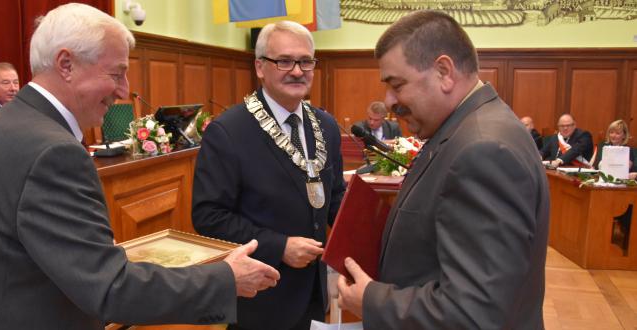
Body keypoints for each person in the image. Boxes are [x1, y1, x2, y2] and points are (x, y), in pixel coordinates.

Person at [0, 4, 279, 329]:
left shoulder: (14, 121)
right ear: (66, 64)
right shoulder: (53, 151)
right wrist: (225, 279)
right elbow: (110, 288)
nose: (124, 90)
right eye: (116, 73)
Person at [336, 11, 549, 329]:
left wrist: (371, 301)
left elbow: (473, 313)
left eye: (397, 85)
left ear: (444, 72)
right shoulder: (464, 128)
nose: (389, 101)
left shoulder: (483, 150)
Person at [192, 20, 346, 330]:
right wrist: (280, 247)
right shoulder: (229, 131)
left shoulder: (326, 126)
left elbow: (335, 195)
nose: (297, 71)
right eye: (285, 61)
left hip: (316, 292)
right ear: (260, 67)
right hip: (261, 295)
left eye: (305, 61)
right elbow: (208, 215)